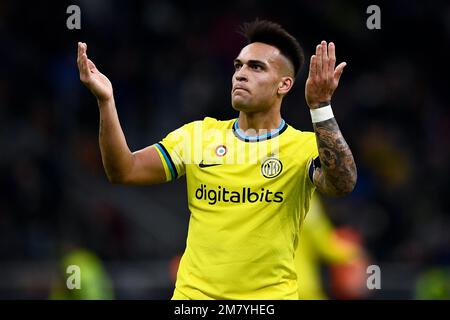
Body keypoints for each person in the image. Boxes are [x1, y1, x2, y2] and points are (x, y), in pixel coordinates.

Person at [77, 19, 357, 300]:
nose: (240, 74)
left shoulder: (303, 147)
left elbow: (342, 183)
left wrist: (320, 107)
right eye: (239, 66)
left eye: (256, 67)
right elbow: (124, 170)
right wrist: (106, 102)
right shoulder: (198, 136)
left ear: (284, 84)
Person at [294, 193, 368, 299]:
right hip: (299, 286)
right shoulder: (303, 197)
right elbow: (324, 244)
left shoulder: (266, 193)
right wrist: (356, 254)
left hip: (269, 285)